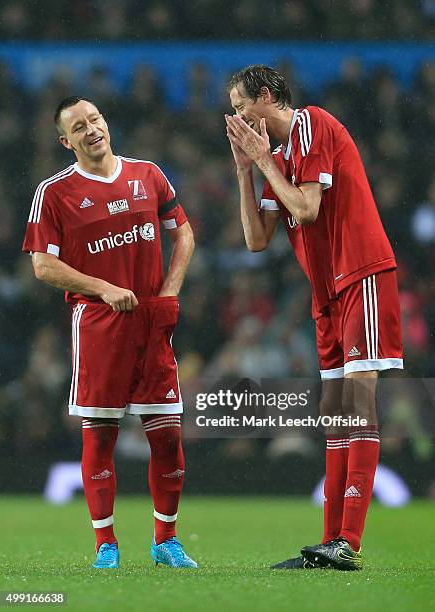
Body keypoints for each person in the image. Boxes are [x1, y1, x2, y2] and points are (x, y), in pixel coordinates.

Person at [226, 65, 403, 570]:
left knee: (360, 400)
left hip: (362, 273)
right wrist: (245, 169)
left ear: (266, 96)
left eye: (241, 107)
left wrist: (263, 161)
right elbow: (256, 240)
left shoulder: (313, 125)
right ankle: (328, 545)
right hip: (325, 294)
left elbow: (305, 208)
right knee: (334, 418)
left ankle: (348, 540)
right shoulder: (274, 157)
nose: (238, 118)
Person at [22, 96, 197, 569]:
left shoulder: (148, 175)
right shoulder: (54, 192)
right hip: (99, 324)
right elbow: (42, 265)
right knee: (100, 437)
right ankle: (107, 545)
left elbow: (183, 233)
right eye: (78, 127)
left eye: (95, 119)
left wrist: (169, 293)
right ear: (66, 141)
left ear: (106, 122)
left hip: (151, 320)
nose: (91, 130)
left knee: (167, 437)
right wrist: (102, 288)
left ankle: (166, 541)